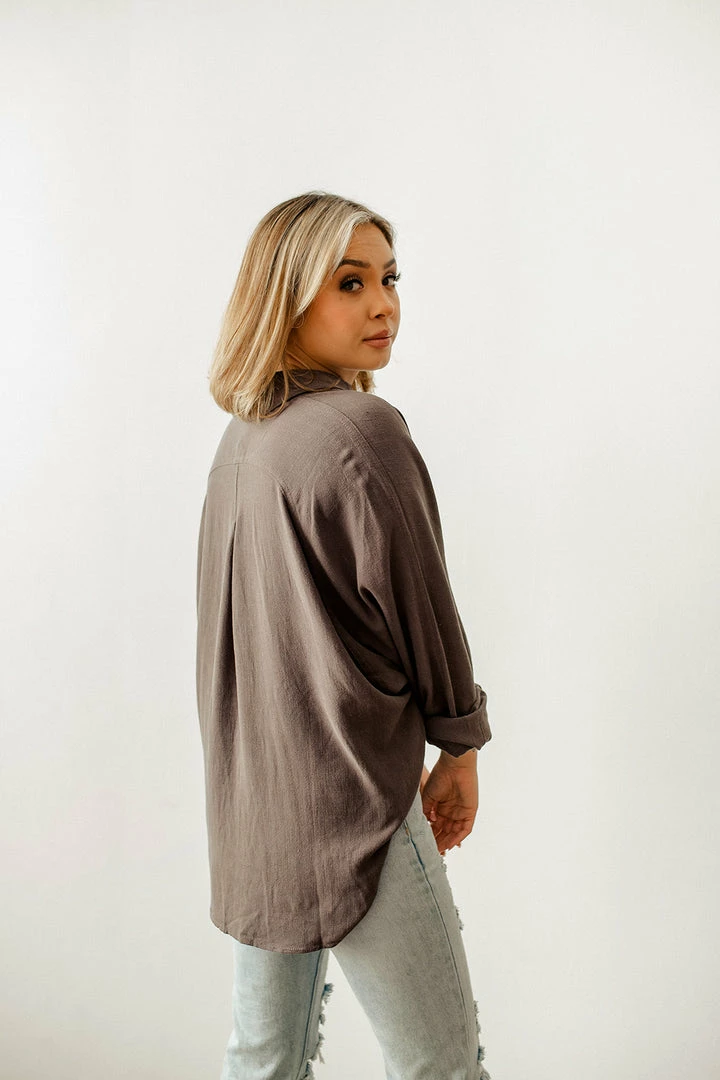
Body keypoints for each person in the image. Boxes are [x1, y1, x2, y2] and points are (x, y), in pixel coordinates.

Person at [196, 190, 493, 1079]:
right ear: (287, 296)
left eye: (390, 279)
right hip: (354, 797)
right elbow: (422, 606)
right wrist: (460, 744)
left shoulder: (242, 442)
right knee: (442, 1068)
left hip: (261, 810)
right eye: (350, 282)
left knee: (265, 1061)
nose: (382, 305)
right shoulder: (362, 430)